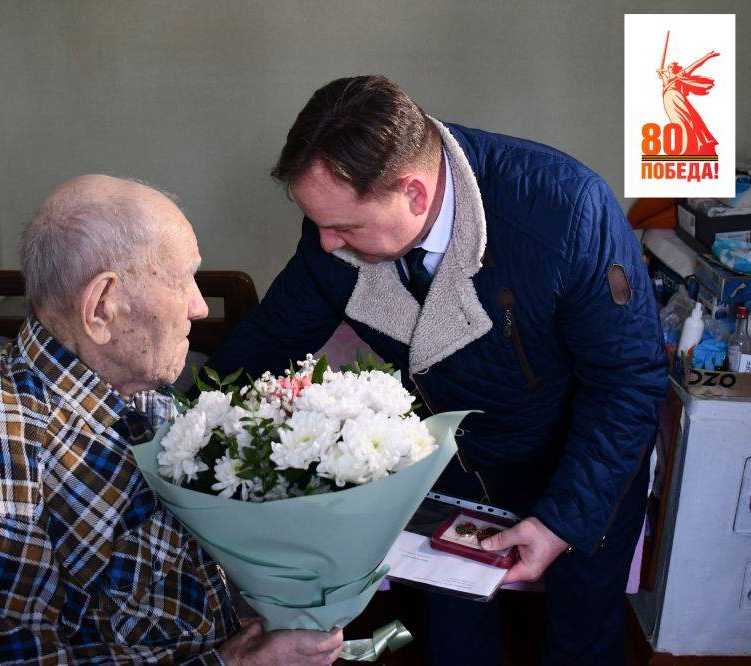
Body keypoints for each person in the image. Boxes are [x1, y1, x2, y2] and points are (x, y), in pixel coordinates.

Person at [205, 76, 666, 665]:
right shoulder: (331, 232)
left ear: (415, 195)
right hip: (454, 461)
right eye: (319, 223)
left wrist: (560, 520)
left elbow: (628, 382)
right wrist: (181, 417)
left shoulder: (567, 211)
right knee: (452, 638)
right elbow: (269, 337)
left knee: (582, 638)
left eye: (346, 228)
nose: (325, 243)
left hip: (582, 460)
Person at [0, 175, 343, 665]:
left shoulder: (139, 386)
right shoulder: (0, 480)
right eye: (183, 281)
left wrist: (229, 635)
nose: (199, 307)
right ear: (102, 308)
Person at [657, 51, 720, 155]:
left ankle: (693, 146)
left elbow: (695, 65)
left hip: (677, 98)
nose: (671, 66)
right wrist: (661, 73)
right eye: (670, 65)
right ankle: (685, 147)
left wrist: (707, 56)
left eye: (673, 65)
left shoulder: (680, 74)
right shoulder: (667, 79)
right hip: (669, 101)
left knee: (687, 120)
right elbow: (662, 77)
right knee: (677, 122)